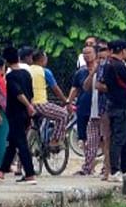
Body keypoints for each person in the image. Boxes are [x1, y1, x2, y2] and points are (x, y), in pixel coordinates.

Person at [0, 47, 37, 184]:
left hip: (16, 113)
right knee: (12, 142)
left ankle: (29, 173)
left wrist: (28, 106)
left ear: (6, 61)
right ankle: (2, 171)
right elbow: (30, 93)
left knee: (21, 143)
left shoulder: (11, 76)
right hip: (25, 113)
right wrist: (30, 106)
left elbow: (18, 93)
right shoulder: (26, 73)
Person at [101, 40, 126, 180]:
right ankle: (115, 171)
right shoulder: (121, 65)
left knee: (116, 139)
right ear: (122, 51)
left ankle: (116, 168)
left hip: (112, 106)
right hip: (123, 107)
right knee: (119, 140)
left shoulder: (107, 65)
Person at [82, 44, 112, 178]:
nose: (101, 61)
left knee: (106, 140)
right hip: (94, 111)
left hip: (106, 110)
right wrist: (93, 72)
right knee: (91, 141)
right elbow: (86, 87)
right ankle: (88, 167)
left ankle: (107, 167)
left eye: (104, 58)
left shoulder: (110, 71)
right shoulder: (94, 72)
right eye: (99, 58)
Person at [31, 50, 69, 146]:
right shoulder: (45, 71)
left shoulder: (27, 69)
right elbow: (55, 88)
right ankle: (55, 141)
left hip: (28, 104)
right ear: (42, 59)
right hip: (40, 104)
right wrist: (65, 100)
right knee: (63, 114)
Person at [68, 46, 96, 175]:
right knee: (84, 138)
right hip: (83, 107)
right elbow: (75, 89)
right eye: (85, 53)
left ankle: (96, 166)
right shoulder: (80, 72)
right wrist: (68, 102)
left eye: (89, 53)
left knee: (98, 138)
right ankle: (89, 164)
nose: (87, 55)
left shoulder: (101, 70)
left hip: (97, 108)